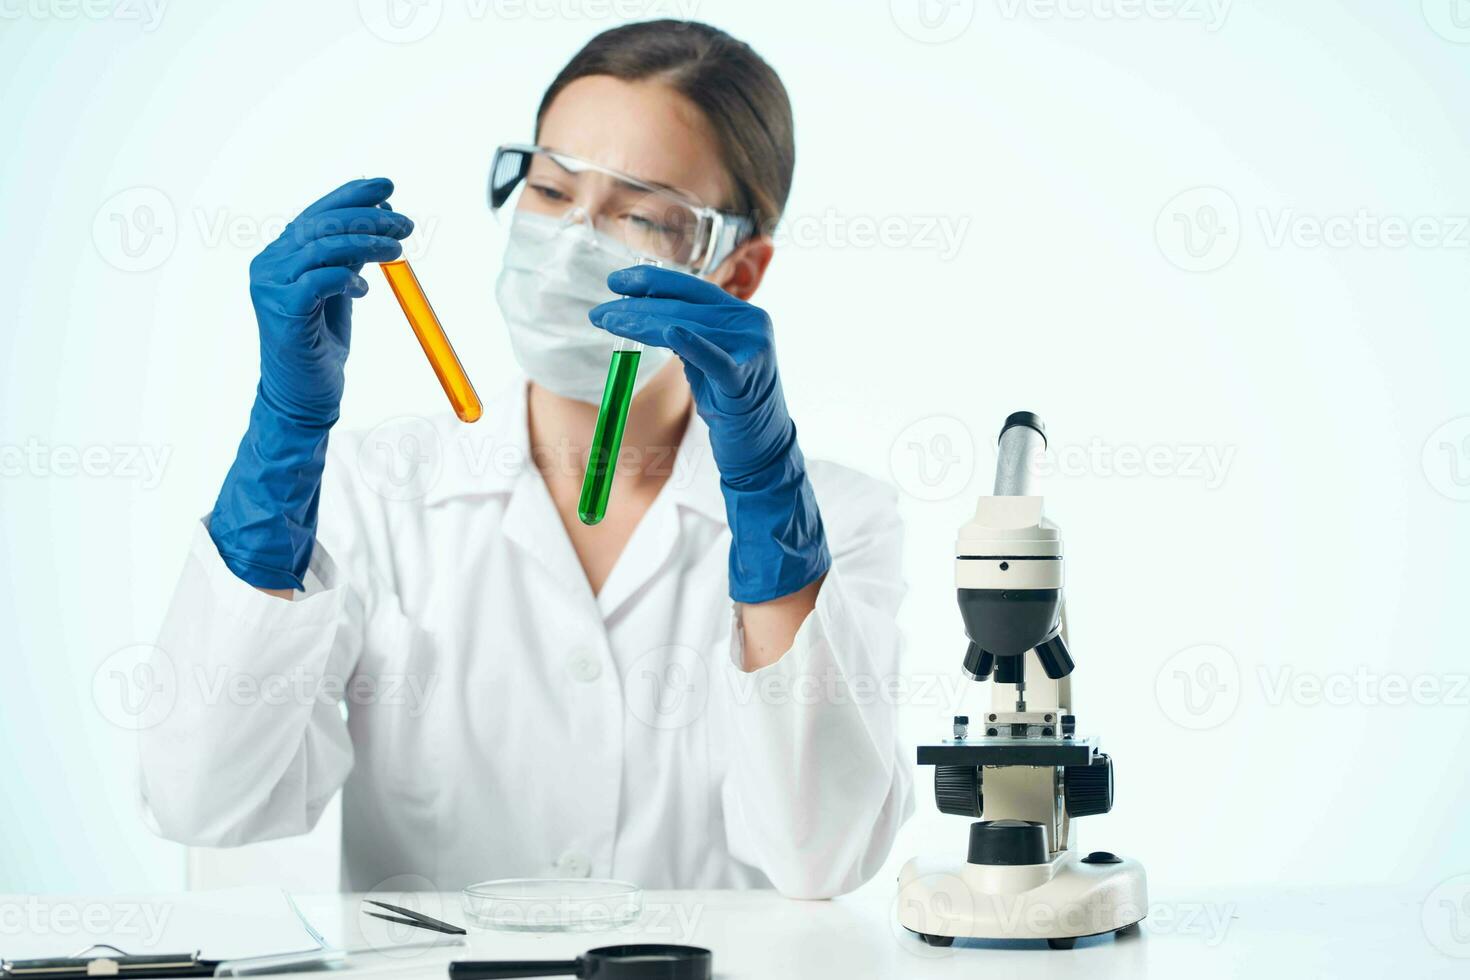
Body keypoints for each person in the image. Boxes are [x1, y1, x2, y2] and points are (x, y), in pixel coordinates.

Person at [140, 19, 911, 898]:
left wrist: (770, 497)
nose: (575, 236)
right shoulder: (378, 492)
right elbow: (200, 800)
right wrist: (281, 432)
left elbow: (823, 857)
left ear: (736, 272)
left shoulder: (842, 521)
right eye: (550, 189)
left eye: (640, 212)